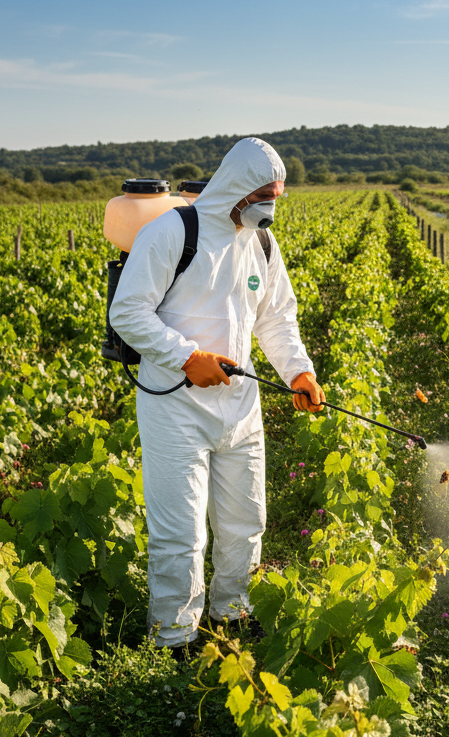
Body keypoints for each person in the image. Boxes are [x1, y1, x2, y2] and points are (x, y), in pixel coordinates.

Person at [109, 137, 325, 654]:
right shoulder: (171, 233)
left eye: (276, 197)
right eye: (262, 197)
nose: (269, 208)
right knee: (180, 532)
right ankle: (175, 637)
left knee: (246, 521)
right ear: (236, 188)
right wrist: (188, 357)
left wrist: (299, 372)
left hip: (240, 406)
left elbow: (277, 318)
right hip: (175, 407)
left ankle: (233, 613)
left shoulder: (262, 244)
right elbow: (128, 312)